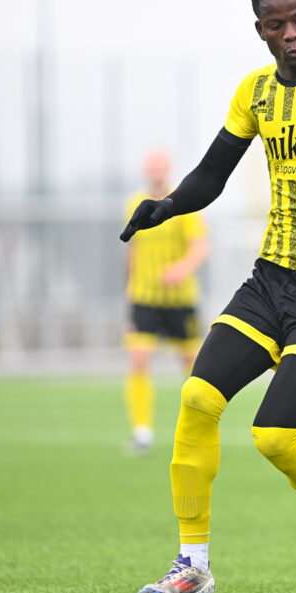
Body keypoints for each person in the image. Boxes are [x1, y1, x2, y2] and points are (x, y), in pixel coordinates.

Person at [120, 0, 296, 593]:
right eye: (277, 25)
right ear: (261, 31)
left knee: (273, 435)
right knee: (197, 398)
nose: (291, 34)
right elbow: (214, 172)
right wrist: (169, 206)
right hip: (271, 279)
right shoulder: (256, 91)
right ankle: (193, 565)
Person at [122, 148, 209, 456]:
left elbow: (201, 246)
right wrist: (128, 290)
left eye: (160, 166)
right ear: (146, 170)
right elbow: (131, 249)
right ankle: (142, 433)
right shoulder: (135, 204)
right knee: (138, 359)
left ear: (168, 169)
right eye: (152, 166)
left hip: (180, 299)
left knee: (192, 367)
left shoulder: (182, 204)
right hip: (144, 298)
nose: (156, 171)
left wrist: (181, 269)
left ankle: (198, 429)